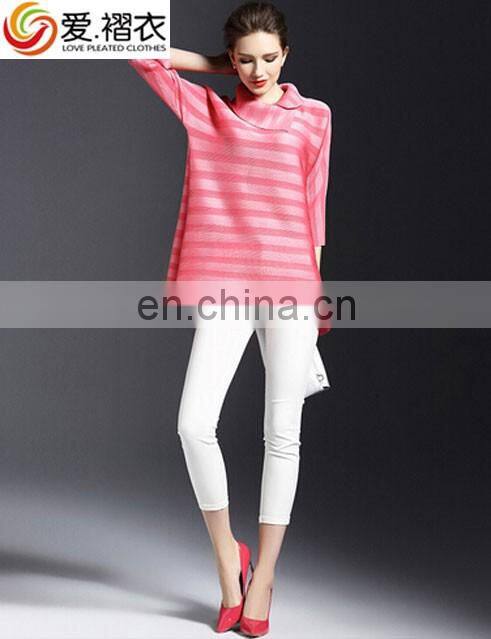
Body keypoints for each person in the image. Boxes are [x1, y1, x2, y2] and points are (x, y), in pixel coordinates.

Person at [128, 2, 332, 635]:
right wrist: (214, 66)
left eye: (269, 58)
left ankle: (263, 575)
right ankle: (227, 556)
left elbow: (314, 212)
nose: (258, 70)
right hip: (225, 286)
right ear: (230, 60)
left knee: (282, 433)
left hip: (292, 288)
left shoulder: (315, 117)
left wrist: (315, 298)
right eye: (244, 59)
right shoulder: (208, 110)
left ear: (287, 54)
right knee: (194, 425)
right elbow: (137, 51)